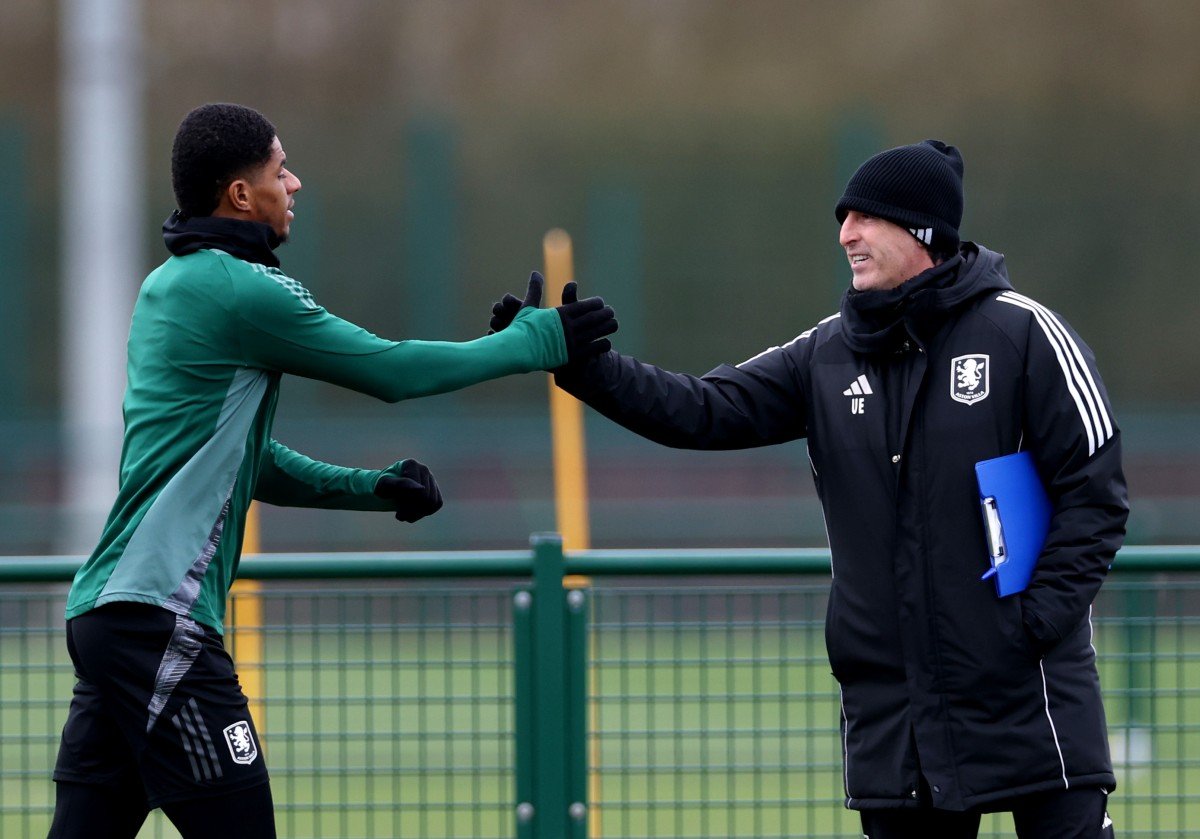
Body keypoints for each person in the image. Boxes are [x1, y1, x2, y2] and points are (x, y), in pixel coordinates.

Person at [492, 140, 1127, 838]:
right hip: (896, 719)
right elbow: (701, 408)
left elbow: (1094, 493)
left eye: (866, 217)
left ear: (924, 231)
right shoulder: (825, 353)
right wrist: (585, 368)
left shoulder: (1025, 334)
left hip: (1031, 701)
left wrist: (1030, 624)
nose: (845, 234)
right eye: (843, 217)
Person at [48, 102, 616, 839]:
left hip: (107, 615)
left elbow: (247, 462)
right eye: (280, 169)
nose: (296, 182)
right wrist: (534, 342)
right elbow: (392, 370)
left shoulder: (169, 286)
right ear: (240, 195)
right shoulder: (241, 289)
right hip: (159, 622)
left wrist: (368, 487)